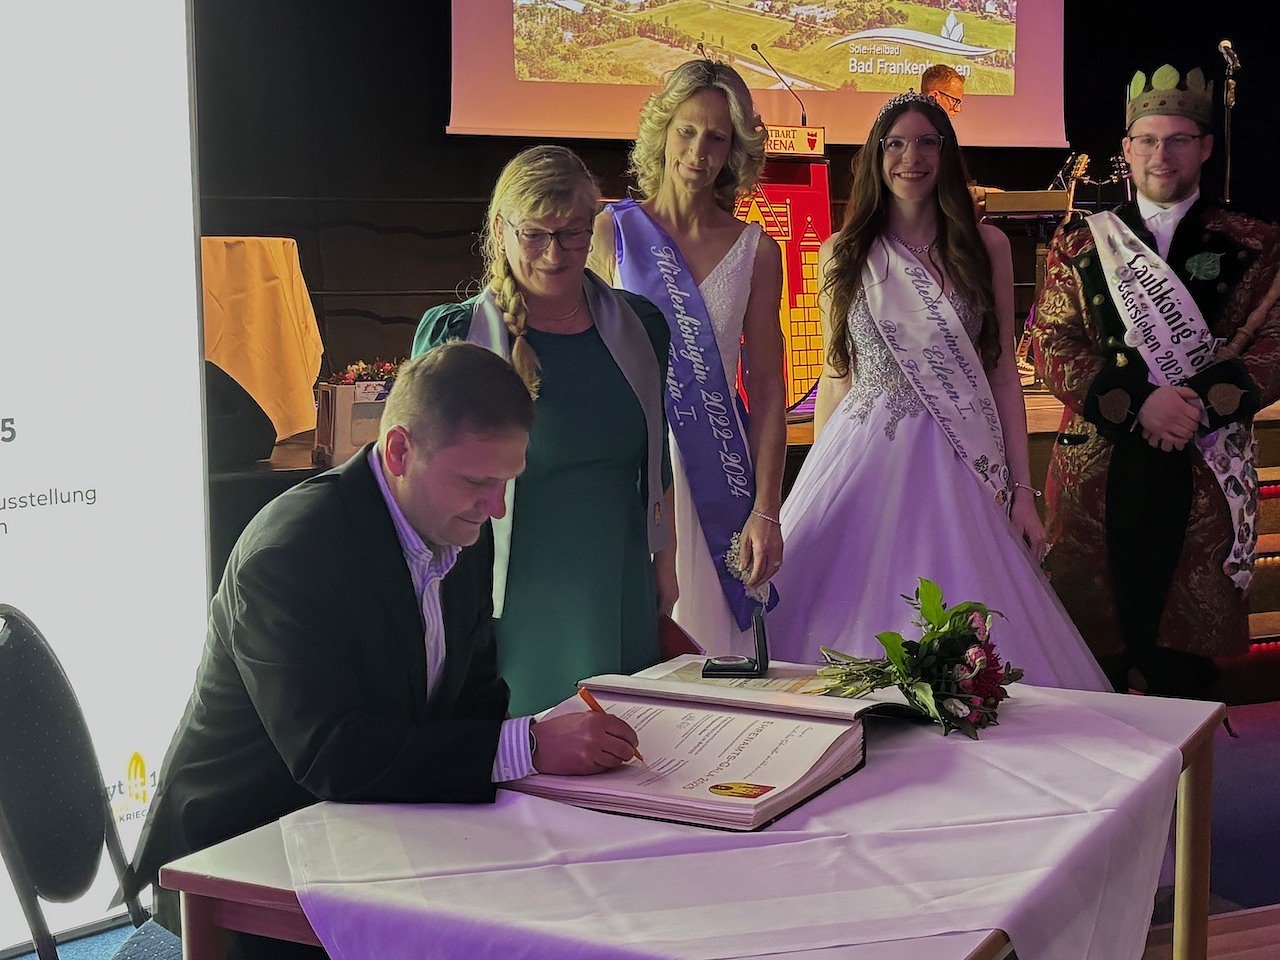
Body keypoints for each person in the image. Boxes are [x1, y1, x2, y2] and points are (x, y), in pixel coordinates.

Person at [122, 343, 640, 954]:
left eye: (507, 482)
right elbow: (333, 756)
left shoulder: (460, 525)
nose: (497, 507)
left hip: (371, 827)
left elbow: (475, 694)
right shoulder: (291, 554)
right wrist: (526, 747)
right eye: (477, 481)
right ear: (399, 451)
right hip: (245, 857)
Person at [769, 92, 1109, 691]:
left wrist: (1022, 491)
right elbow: (837, 374)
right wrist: (820, 476)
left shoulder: (986, 246)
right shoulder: (842, 252)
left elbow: (1002, 373)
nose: (912, 157)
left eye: (927, 142)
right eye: (896, 144)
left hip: (962, 456)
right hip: (864, 454)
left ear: (947, 155)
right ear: (876, 156)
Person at [1033, 64, 1280, 698]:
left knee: (1185, 673)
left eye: (1177, 140)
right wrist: (1140, 405)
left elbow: (1275, 344)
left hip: (1203, 465)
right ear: (1126, 148)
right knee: (1093, 668)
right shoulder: (1080, 242)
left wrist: (1199, 407)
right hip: (1099, 468)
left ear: (1206, 146)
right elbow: (1050, 342)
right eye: (1146, 140)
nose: (1160, 155)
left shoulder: (1255, 242)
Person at [414, 145, 672, 715]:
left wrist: (666, 563)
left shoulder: (643, 326)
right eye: (535, 235)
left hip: (619, 578)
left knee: (626, 741)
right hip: (508, 592)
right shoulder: (455, 336)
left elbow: (656, 463)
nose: (555, 254)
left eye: (573, 233)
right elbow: (417, 485)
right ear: (500, 231)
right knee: (530, 744)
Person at [590, 59, 787, 657]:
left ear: (735, 149)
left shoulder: (757, 252)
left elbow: (769, 390)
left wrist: (767, 511)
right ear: (663, 130)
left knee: (715, 656)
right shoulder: (610, 233)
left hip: (716, 473)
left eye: (717, 137)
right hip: (631, 464)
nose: (699, 151)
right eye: (687, 130)